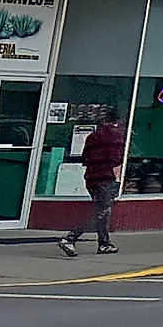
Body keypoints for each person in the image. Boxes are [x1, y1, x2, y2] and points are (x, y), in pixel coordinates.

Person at [57, 108, 127, 257]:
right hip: (106, 177)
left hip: (91, 177)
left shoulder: (93, 136)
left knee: (101, 210)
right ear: (119, 121)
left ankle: (104, 243)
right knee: (101, 212)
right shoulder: (117, 137)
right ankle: (70, 238)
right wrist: (117, 179)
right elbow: (116, 160)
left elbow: (85, 157)